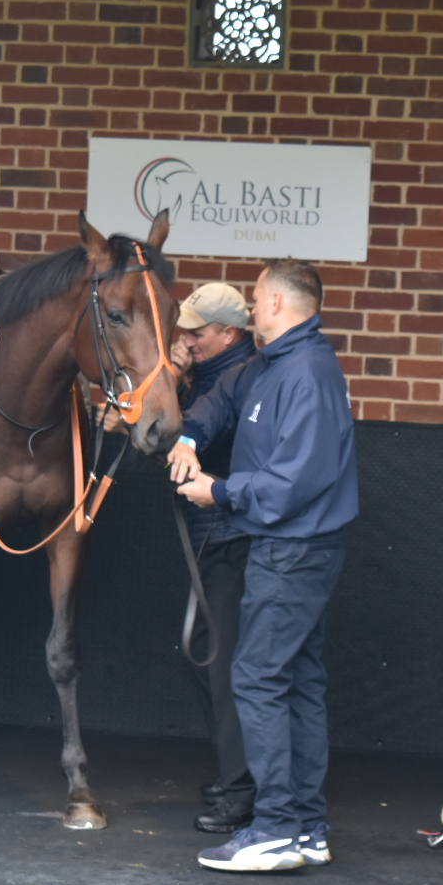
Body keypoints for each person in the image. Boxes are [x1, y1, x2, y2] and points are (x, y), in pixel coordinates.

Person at [171, 259, 358, 873]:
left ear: (277, 303)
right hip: (292, 546)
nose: (251, 309)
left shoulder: (305, 371)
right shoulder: (278, 366)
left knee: (256, 677)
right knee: (298, 680)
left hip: (292, 549)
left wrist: (219, 492)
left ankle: (275, 827)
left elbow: (293, 481)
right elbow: (221, 401)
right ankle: (305, 827)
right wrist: (189, 439)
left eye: (256, 299)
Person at [168, 283, 259, 835]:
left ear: (229, 334)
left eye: (197, 333)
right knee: (205, 653)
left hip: (233, 536)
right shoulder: (214, 374)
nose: (187, 340)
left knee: (223, 663)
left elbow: (193, 431)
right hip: (218, 536)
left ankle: (243, 790)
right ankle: (236, 777)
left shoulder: (234, 376)